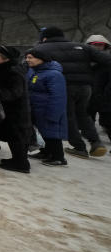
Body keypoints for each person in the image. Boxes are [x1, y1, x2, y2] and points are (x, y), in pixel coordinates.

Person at [35, 26, 110, 158]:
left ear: (44, 38)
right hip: (86, 87)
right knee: (83, 114)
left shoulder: (41, 48)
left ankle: (79, 147)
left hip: (63, 86)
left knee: (67, 117)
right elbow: (106, 60)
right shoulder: (83, 47)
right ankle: (96, 142)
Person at [0, 45, 33, 173]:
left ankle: (21, 164)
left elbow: (15, 92)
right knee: (13, 136)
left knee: (17, 136)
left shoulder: (13, 71)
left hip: (16, 110)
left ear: (6, 59)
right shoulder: (4, 68)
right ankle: (17, 160)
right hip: (8, 108)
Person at [25, 47, 68, 167]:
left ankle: (59, 157)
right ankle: (46, 152)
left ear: (42, 59)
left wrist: (54, 113)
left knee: (52, 133)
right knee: (44, 132)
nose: (27, 60)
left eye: (31, 57)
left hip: (48, 108)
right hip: (36, 108)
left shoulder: (54, 74)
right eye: (27, 57)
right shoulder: (33, 70)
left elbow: (58, 96)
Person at [85, 35, 111, 141]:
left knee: (107, 122)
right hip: (88, 94)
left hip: (104, 95)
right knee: (87, 118)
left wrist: (106, 95)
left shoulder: (108, 61)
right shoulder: (85, 61)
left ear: (105, 46)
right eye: (94, 45)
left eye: (100, 45)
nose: (97, 47)